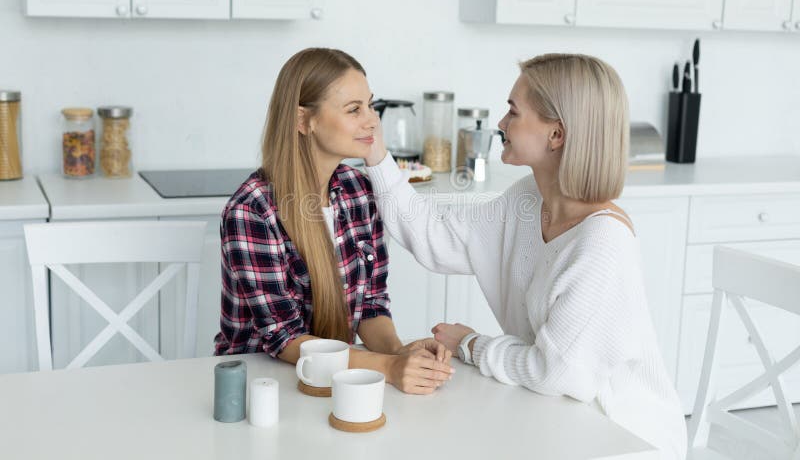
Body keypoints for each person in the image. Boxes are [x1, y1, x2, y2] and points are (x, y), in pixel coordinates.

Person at [363, 54, 687, 457]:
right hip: (554, 414)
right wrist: (376, 155)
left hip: (623, 437)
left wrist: (472, 344)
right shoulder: (527, 199)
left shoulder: (602, 243)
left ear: (557, 135)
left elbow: (555, 373)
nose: (501, 124)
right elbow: (437, 240)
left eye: (513, 112)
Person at [214, 47, 454, 394]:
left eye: (370, 105)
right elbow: (285, 340)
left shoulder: (358, 190)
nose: (372, 120)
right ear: (303, 121)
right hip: (259, 386)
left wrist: (400, 352)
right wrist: (389, 366)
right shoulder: (252, 210)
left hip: (335, 379)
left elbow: (370, 304)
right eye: (353, 109)